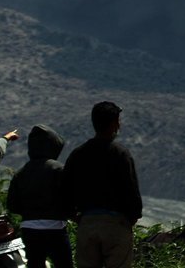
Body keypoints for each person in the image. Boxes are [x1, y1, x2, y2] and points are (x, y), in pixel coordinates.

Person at [62, 102, 142, 268]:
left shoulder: (78, 154)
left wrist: (77, 217)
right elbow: (131, 189)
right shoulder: (121, 154)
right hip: (116, 225)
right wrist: (132, 217)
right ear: (114, 124)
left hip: (88, 224)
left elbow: (65, 191)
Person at [8, 125, 74, 268]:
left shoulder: (21, 172)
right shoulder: (59, 169)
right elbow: (70, 199)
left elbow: (12, 205)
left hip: (29, 230)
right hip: (55, 228)